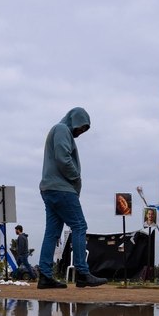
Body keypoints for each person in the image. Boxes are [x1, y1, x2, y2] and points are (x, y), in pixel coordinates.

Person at [37, 107, 107, 289]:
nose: (81, 132)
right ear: (74, 120)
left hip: (49, 188)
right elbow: (63, 158)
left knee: (52, 233)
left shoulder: (58, 130)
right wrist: (76, 177)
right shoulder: (62, 129)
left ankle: (45, 276)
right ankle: (82, 273)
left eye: (85, 130)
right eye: (81, 127)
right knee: (79, 225)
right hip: (61, 189)